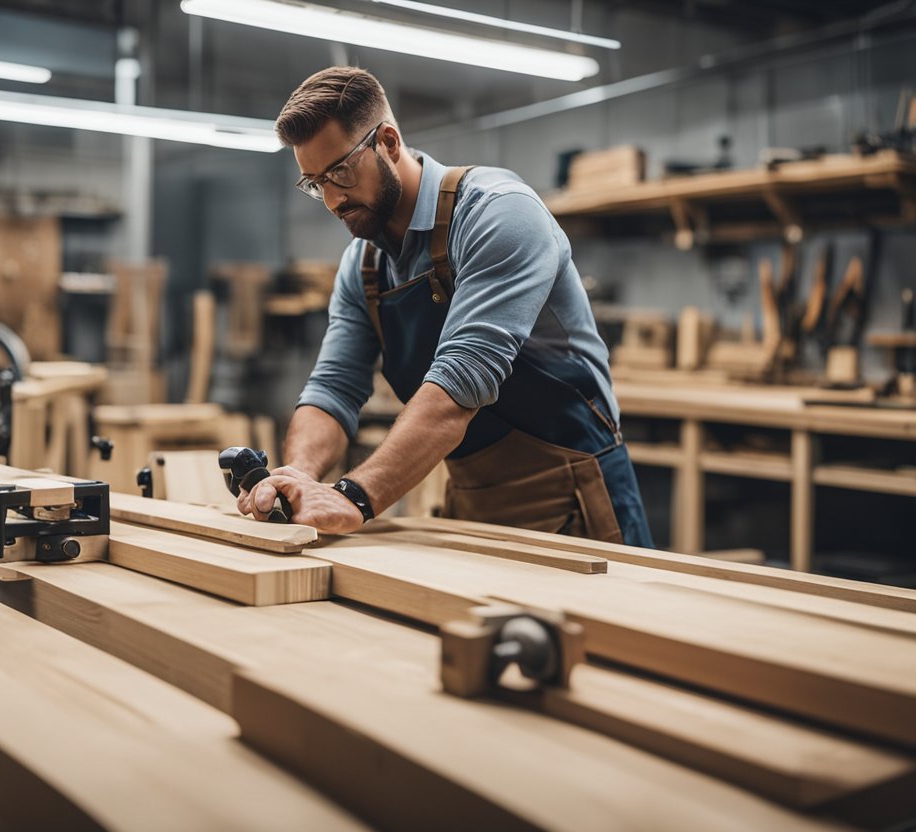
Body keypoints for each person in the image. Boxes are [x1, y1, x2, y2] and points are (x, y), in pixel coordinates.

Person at [238, 66, 653, 548]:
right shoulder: (364, 266)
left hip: (576, 496)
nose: (331, 199)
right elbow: (333, 389)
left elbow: (461, 382)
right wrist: (298, 479)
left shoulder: (498, 212)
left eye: (341, 173)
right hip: (472, 504)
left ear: (389, 143)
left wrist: (354, 495)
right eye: (314, 183)